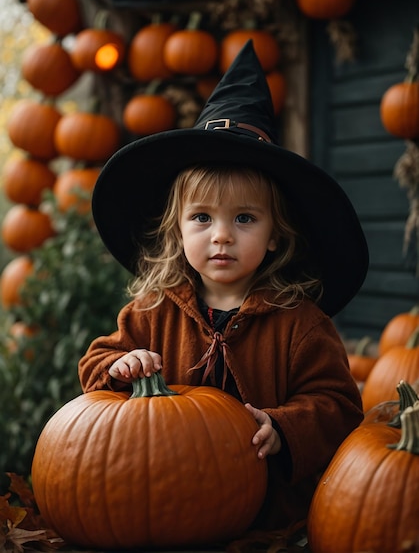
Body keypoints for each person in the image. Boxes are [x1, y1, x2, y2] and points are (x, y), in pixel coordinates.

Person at [79, 40, 369, 530]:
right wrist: (119, 365)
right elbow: (93, 367)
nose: (222, 235)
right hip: (163, 503)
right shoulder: (152, 313)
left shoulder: (299, 322)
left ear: (275, 236)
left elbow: (338, 407)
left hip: (268, 521)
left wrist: (284, 427)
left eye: (244, 218)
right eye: (201, 217)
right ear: (177, 230)